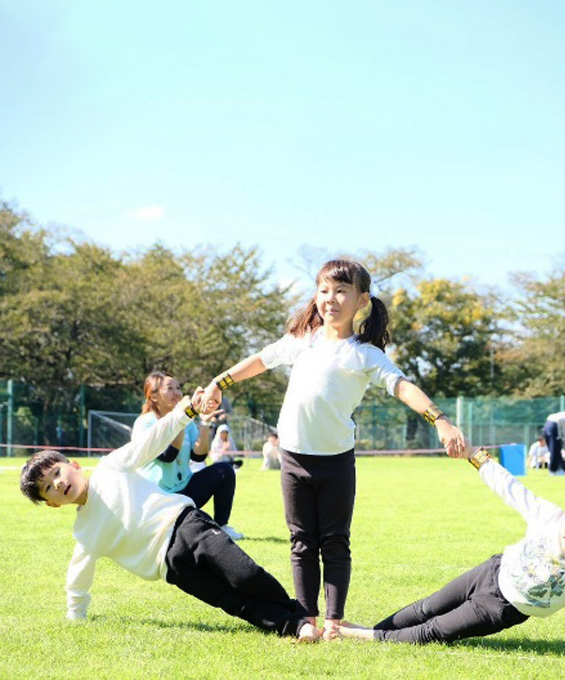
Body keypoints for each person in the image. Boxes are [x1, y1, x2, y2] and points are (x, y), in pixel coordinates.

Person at [200, 259, 466, 637]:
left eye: (342, 291)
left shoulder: (365, 354)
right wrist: (219, 382)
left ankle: (333, 622)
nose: (331, 299)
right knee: (301, 542)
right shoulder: (301, 342)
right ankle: (307, 619)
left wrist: (440, 419)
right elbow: (260, 360)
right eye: (324, 290)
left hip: (336, 462)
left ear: (361, 301)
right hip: (293, 457)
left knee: (335, 542)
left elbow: (403, 386)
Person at [19, 393, 320, 642]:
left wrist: (183, 412)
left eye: (57, 473)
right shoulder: (84, 532)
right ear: (53, 505)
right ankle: (294, 626)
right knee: (235, 603)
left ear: (74, 465)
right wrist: (75, 614)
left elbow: (150, 441)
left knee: (245, 575)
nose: (57, 483)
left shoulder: (111, 467)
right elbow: (78, 576)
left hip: (187, 525)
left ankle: (300, 614)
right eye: (48, 488)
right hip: (172, 568)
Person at [335, 448, 565, 667]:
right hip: (490, 571)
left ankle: (357, 634)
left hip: (500, 609)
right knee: (427, 606)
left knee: (434, 631)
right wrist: (477, 457)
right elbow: (510, 487)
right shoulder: (549, 515)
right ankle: (374, 634)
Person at [132, 371, 243, 540]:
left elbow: (198, 456)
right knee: (187, 527)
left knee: (225, 471)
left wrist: (205, 423)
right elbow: (168, 456)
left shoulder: (187, 421)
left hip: (184, 491)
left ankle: (222, 525)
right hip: (159, 498)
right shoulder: (145, 423)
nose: (177, 393)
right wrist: (181, 417)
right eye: (170, 388)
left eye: (178, 387)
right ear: (154, 397)